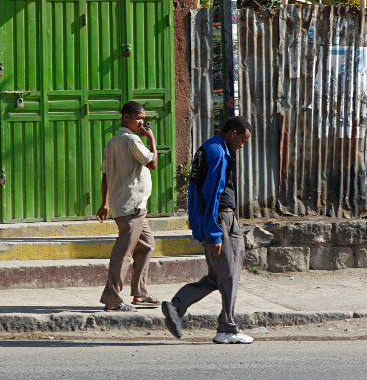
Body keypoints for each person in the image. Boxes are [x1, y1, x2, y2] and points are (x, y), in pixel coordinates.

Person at [162, 116, 253, 344]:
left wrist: (200, 224)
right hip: (221, 220)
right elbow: (210, 195)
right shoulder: (218, 153)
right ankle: (227, 329)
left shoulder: (206, 148)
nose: (242, 145)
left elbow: (196, 191)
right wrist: (212, 232)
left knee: (219, 276)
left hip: (217, 219)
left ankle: (177, 305)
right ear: (233, 133)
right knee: (229, 276)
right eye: (242, 140)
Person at [97, 101, 159, 312]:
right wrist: (151, 138)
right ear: (125, 118)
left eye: (143, 118)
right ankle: (112, 298)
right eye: (137, 118)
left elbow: (104, 174)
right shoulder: (133, 141)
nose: (141, 122)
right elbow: (152, 163)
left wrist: (104, 204)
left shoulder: (112, 142)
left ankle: (140, 292)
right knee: (123, 253)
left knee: (147, 244)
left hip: (126, 206)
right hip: (131, 206)